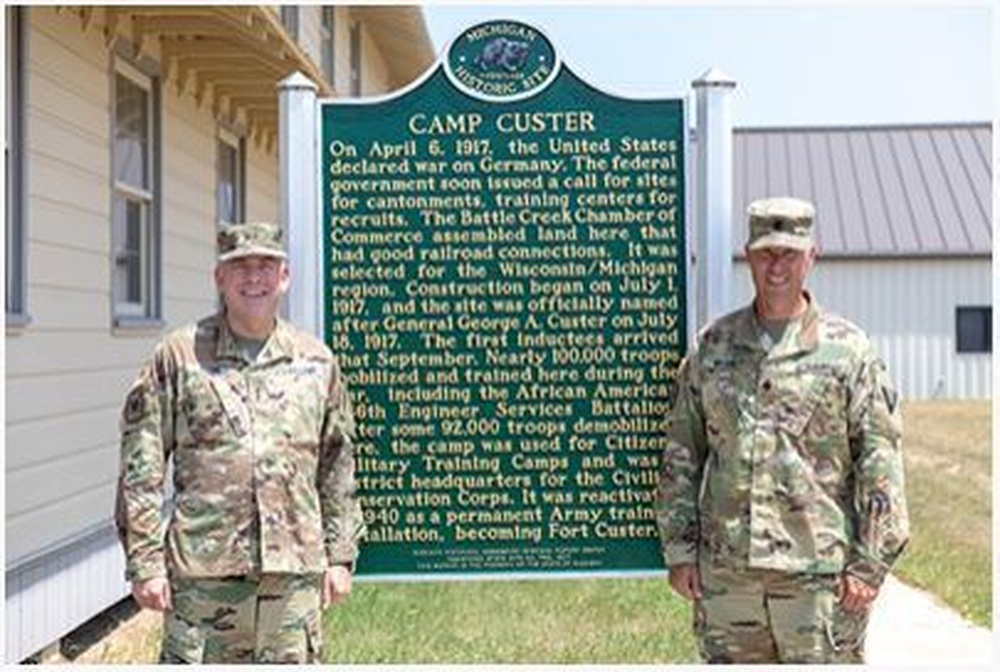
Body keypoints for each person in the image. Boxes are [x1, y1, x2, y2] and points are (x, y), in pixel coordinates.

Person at [655, 197, 909, 664]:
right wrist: (680, 550)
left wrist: (870, 564)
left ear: (811, 256)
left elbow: (880, 461)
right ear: (748, 255)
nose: (777, 265)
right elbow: (682, 456)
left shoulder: (848, 352)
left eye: (790, 253)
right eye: (767, 252)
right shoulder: (713, 348)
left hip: (819, 580)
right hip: (729, 579)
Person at [115, 221, 365, 663]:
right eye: (240, 266)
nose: (254, 277)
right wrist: (145, 563)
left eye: (266, 266)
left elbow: (337, 465)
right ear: (220, 278)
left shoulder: (316, 361)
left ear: (284, 277)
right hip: (203, 581)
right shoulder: (179, 356)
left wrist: (340, 555)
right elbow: (142, 466)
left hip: (292, 579)